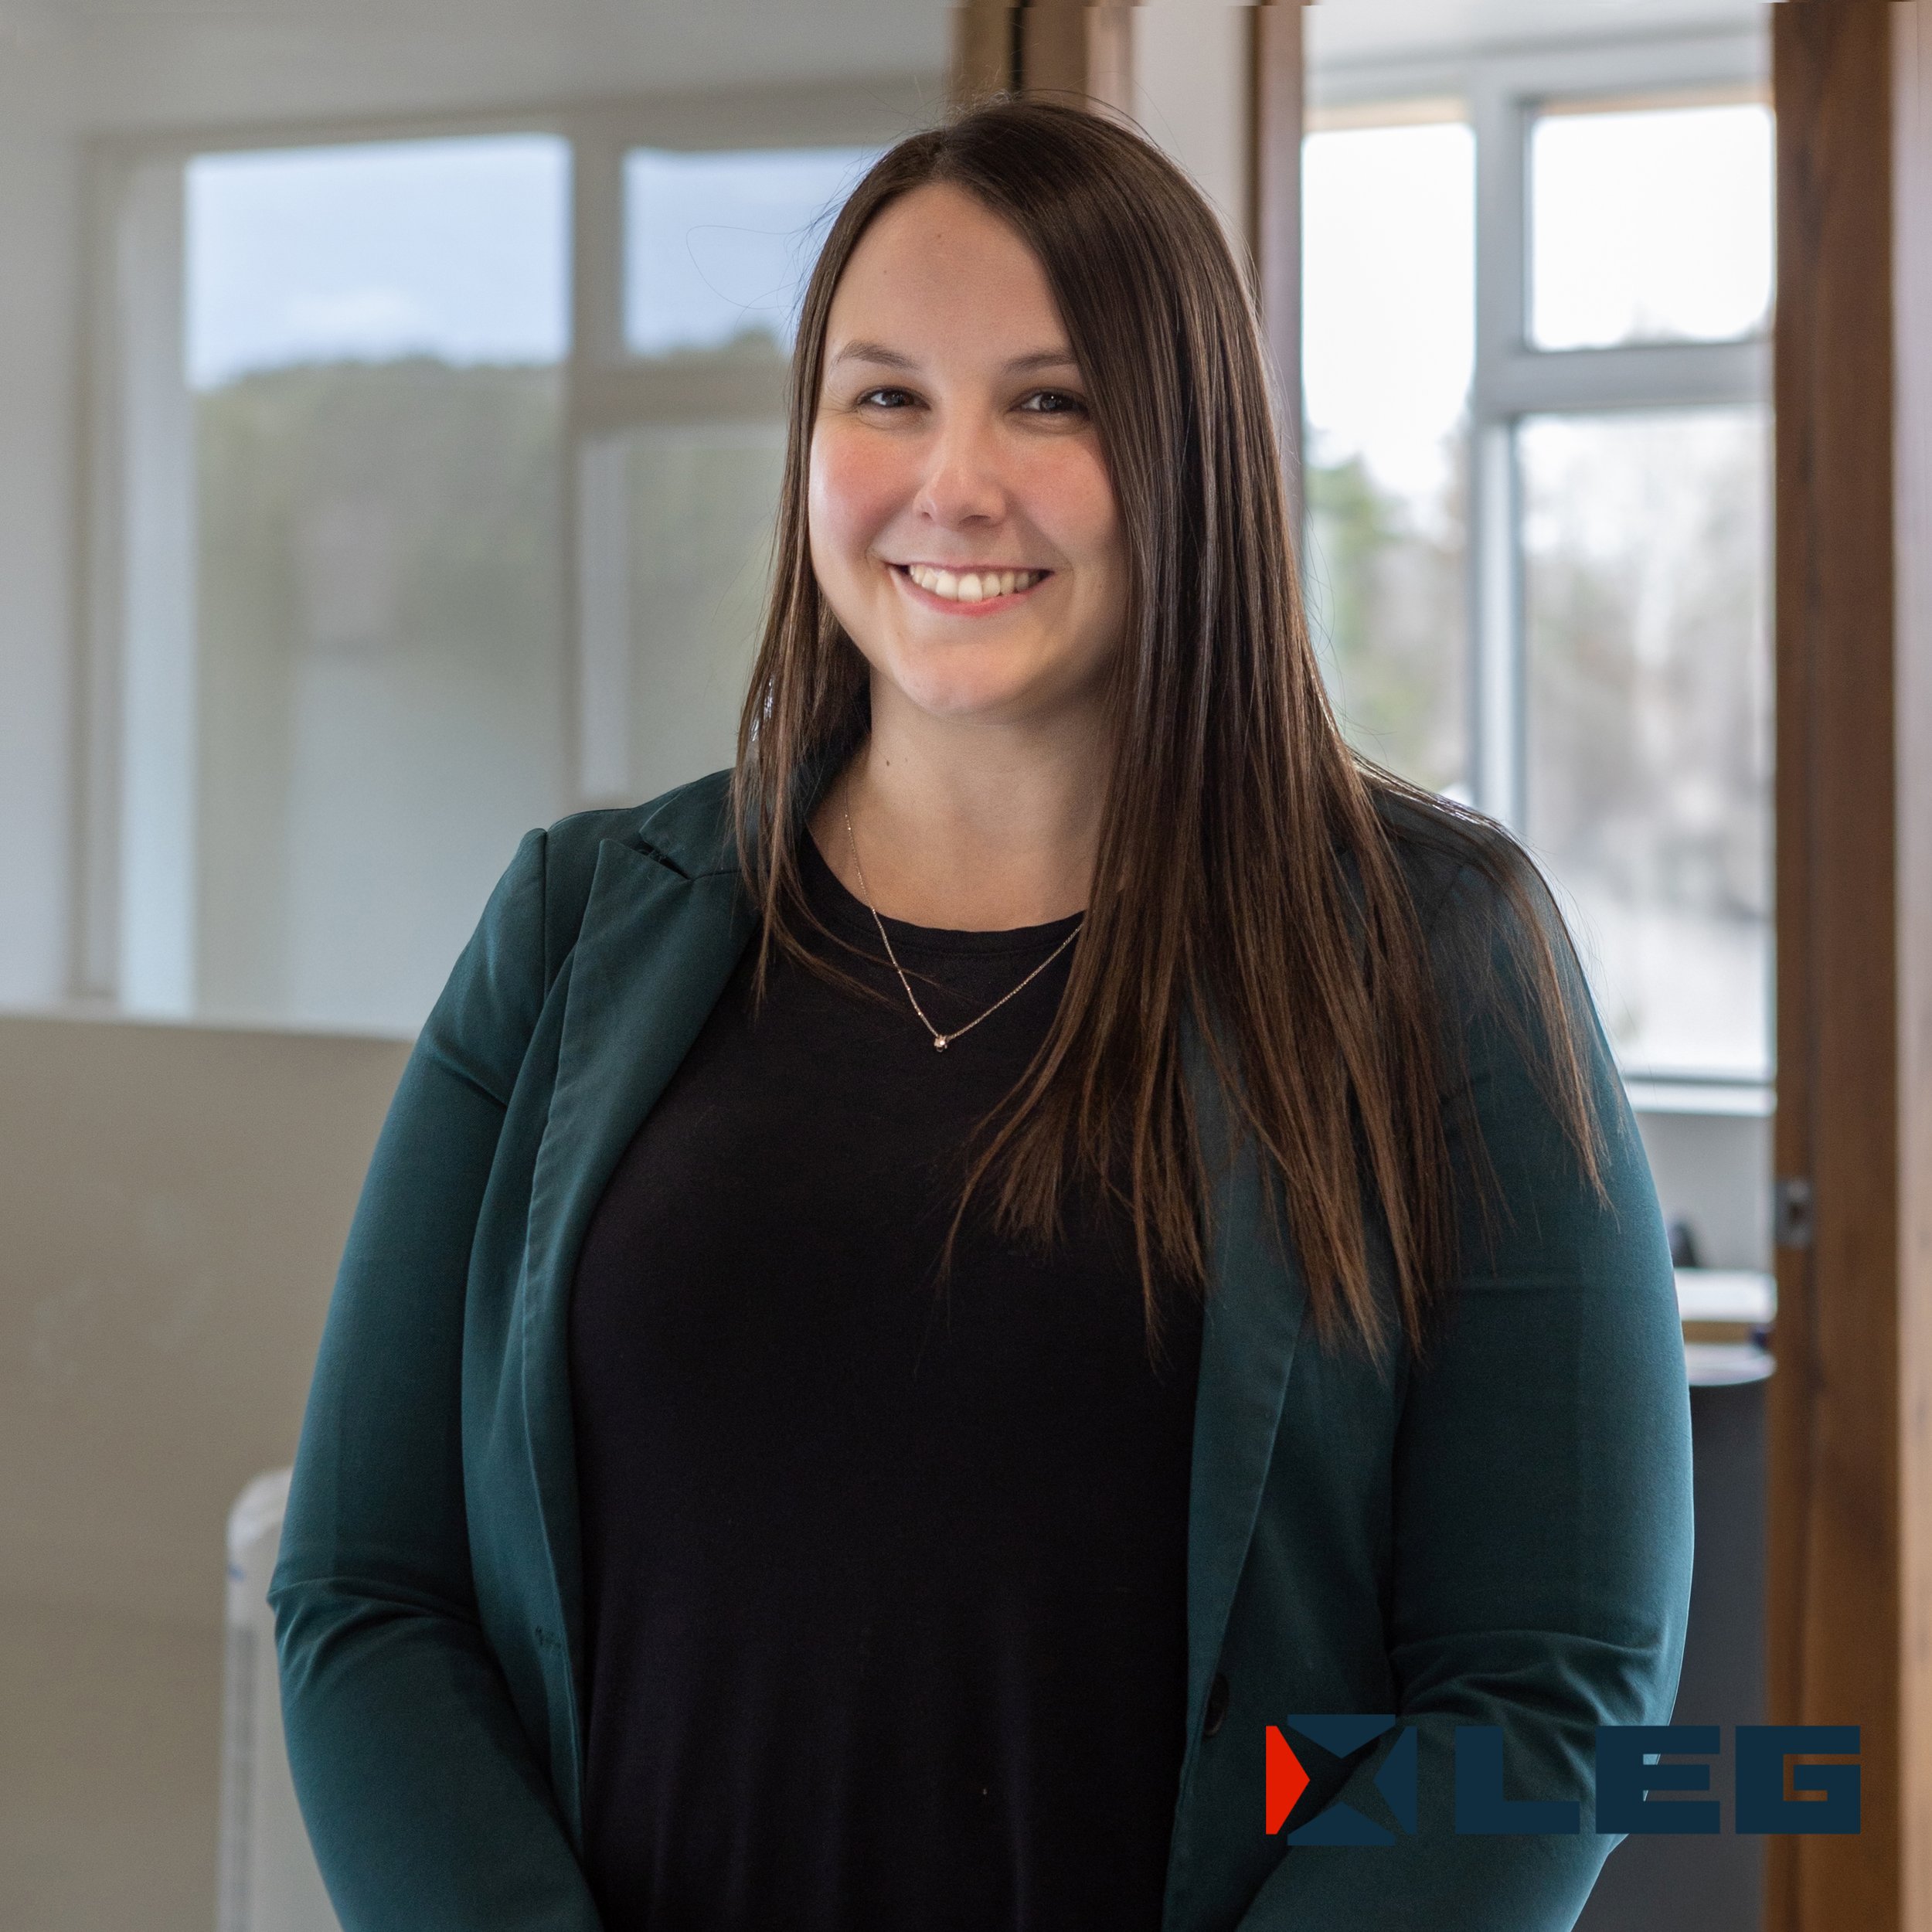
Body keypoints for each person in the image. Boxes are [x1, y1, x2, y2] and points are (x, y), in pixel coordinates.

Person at [271, 98, 1692, 1932]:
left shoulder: (1437, 955)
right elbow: (366, 1593)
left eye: (1051, 400)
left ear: (1188, 452)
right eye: (883, 397)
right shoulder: (574, 927)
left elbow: (1548, 1692)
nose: (952, 482)